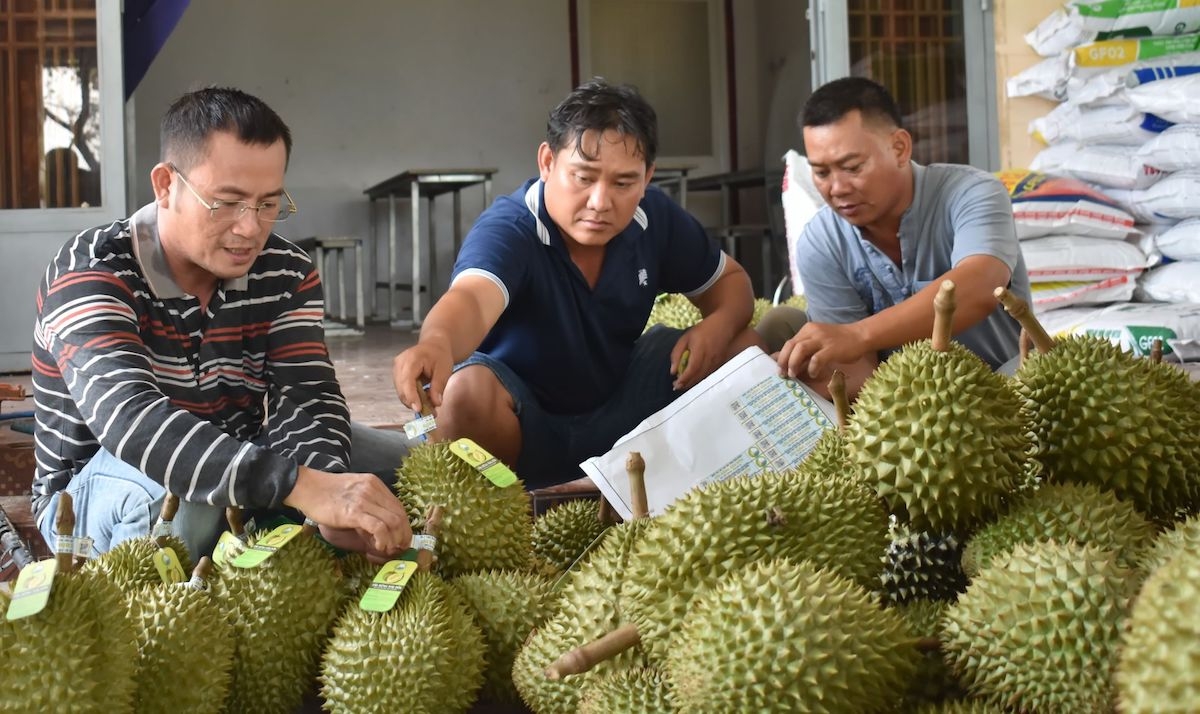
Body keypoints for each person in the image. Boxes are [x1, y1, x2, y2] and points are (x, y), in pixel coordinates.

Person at [31, 87, 412, 561]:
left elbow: (306, 396)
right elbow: (132, 422)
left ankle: (276, 526)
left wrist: (329, 492)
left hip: (242, 451)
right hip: (98, 488)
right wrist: (297, 484)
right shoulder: (91, 270)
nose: (250, 228)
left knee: (411, 466)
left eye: (269, 204)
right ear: (166, 185)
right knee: (184, 499)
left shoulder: (286, 272)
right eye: (227, 202)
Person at [392, 78, 764, 488]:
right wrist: (436, 343)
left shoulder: (654, 219)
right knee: (463, 397)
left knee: (743, 351)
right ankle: (522, 501)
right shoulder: (512, 228)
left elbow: (731, 281)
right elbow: (471, 300)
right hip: (523, 421)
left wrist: (718, 324)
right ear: (547, 162)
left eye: (623, 183)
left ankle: (677, 485)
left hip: (621, 409)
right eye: (583, 178)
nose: (601, 202)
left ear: (647, 177)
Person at [757, 76, 1031, 400]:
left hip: (1001, 389)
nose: (837, 188)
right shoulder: (821, 241)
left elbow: (982, 286)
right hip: (904, 406)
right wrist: (802, 376)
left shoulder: (972, 193)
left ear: (899, 148)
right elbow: (860, 376)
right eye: (822, 172)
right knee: (780, 325)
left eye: (852, 167)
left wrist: (857, 335)